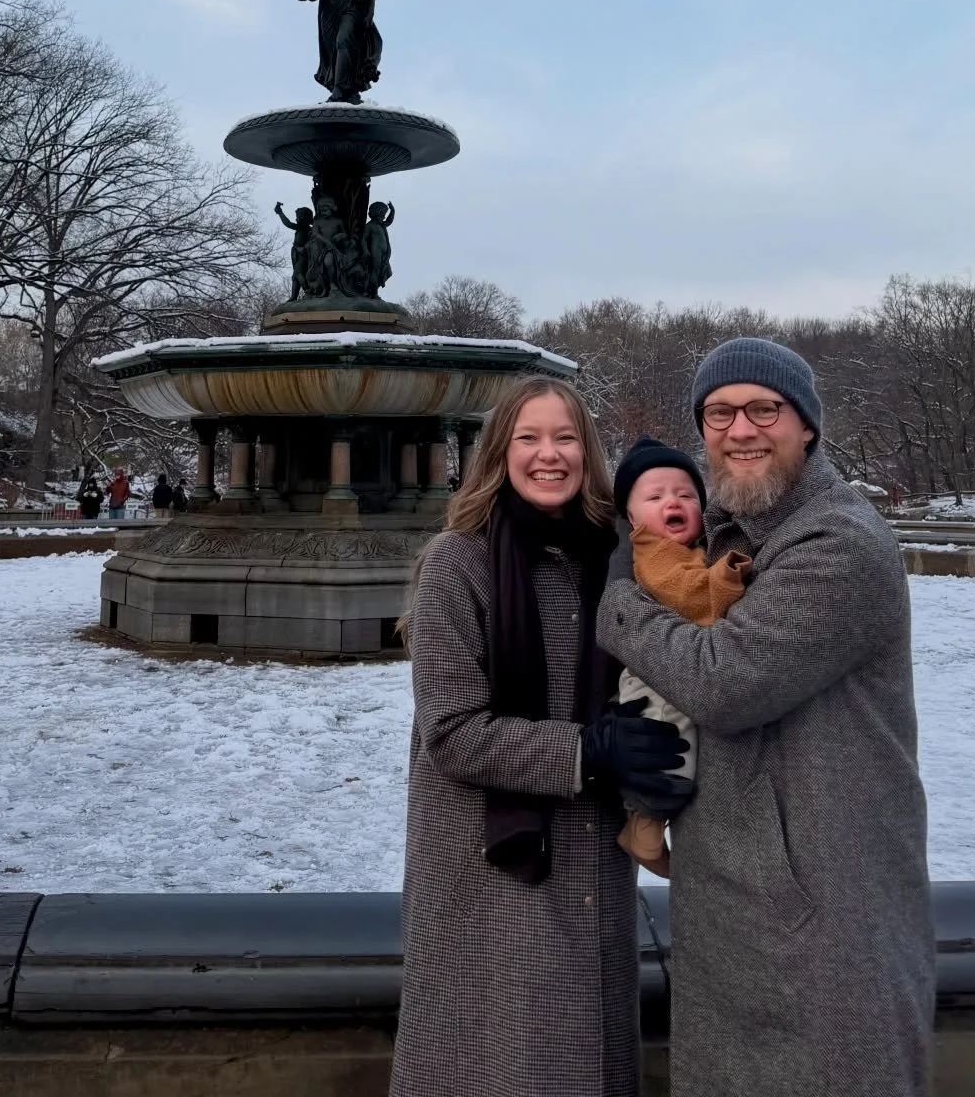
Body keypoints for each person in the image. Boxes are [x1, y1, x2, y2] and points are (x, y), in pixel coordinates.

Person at [599, 338, 935, 1097]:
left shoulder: (838, 541)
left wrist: (620, 600)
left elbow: (725, 683)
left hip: (825, 914)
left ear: (807, 425)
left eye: (763, 409)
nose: (740, 430)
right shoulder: (730, 530)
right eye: (719, 413)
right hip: (740, 902)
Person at [391, 377, 687, 1097]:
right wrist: (590, 752)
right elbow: (453, 733)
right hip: (492, 870)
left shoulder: (617, 563)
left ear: (587, 453)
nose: (548, 455)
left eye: (564, 438)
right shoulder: (457, 564)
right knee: (502, 1066)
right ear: (500, 452)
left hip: (596, 865)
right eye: (529, 438)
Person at [610, 436, 751, 879]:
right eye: (655, 497)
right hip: (654, 685)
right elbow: (691, 599)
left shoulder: (688, 549)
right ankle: (644, 826)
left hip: (672, 667)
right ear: (632, 517)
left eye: (686, 495)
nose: (673, 502)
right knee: (671, 752)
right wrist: (728, 577)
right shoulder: (652, 553)